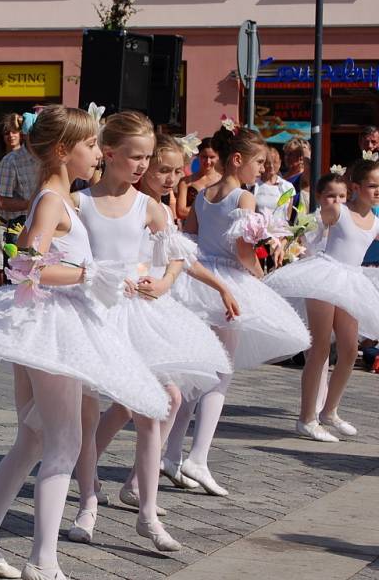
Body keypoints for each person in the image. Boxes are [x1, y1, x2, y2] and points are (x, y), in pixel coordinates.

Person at [0, 105, 170, 580]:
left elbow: (27, 258)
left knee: (32, 439)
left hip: (47, 325)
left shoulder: (60, 198)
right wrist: (92, 273)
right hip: (54, 330)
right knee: (63, 445)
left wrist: (97, 275)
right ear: (65, 151)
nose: (97, 154)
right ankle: (43, 561)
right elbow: (26, 267)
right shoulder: (52, 199)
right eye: (90, 146)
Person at [71, 120, 231, 552]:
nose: (142, 165)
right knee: (88, 411)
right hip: (93, 313)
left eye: (147, 157)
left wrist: (163, 283)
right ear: (107, 151)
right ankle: (87, 500)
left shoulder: (149, 206)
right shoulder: (79, 202)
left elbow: (177, 254)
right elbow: (64, 255)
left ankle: (147, 514)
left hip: (138, 315)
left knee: (153, 408)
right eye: (135, 156)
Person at [165, 122, 311, 496]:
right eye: (259, 162)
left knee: (197, 372)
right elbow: (244, 251)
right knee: (220, 373)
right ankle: (197, 457)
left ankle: (171, 453)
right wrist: (259, 275)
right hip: (228, 281)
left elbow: (192, 237)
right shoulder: (244, 198)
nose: (262, 169)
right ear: (238, 160)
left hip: (199, 280)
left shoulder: (203, 193)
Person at [265, 162, 379, 441]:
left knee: (350, 350)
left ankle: (330, 411)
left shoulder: (375, 221)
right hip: (325, 276)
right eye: (373, 185)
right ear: (356, 188)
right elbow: (304, 230)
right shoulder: (338, 211)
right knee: (319, 349)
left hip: (352, 281)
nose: (377, 191)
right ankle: (306, 418)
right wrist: (290, 246)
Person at [0, 120, 41, 286]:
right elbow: (1, 202)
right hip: (19, 228)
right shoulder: (10, 161)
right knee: (17, 284)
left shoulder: (49, 158)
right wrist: (35, 204)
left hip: (47, 228)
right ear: (26, 135)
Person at [175, 137, 220, 220]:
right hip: (191, 230)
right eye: (204, 157)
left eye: (212, 157)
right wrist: (213, 211)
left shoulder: (222, 180)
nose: (208, 161)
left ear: (218, 157)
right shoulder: (185, 182)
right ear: (198, 156)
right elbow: (181, 211)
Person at [254, 145, 295, 220]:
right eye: (268, 162)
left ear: (280, 163)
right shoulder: (254, 185)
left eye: (275, 162)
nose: (271, 166)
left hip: (281, 230)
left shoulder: (288, 187)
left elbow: (287, 217)